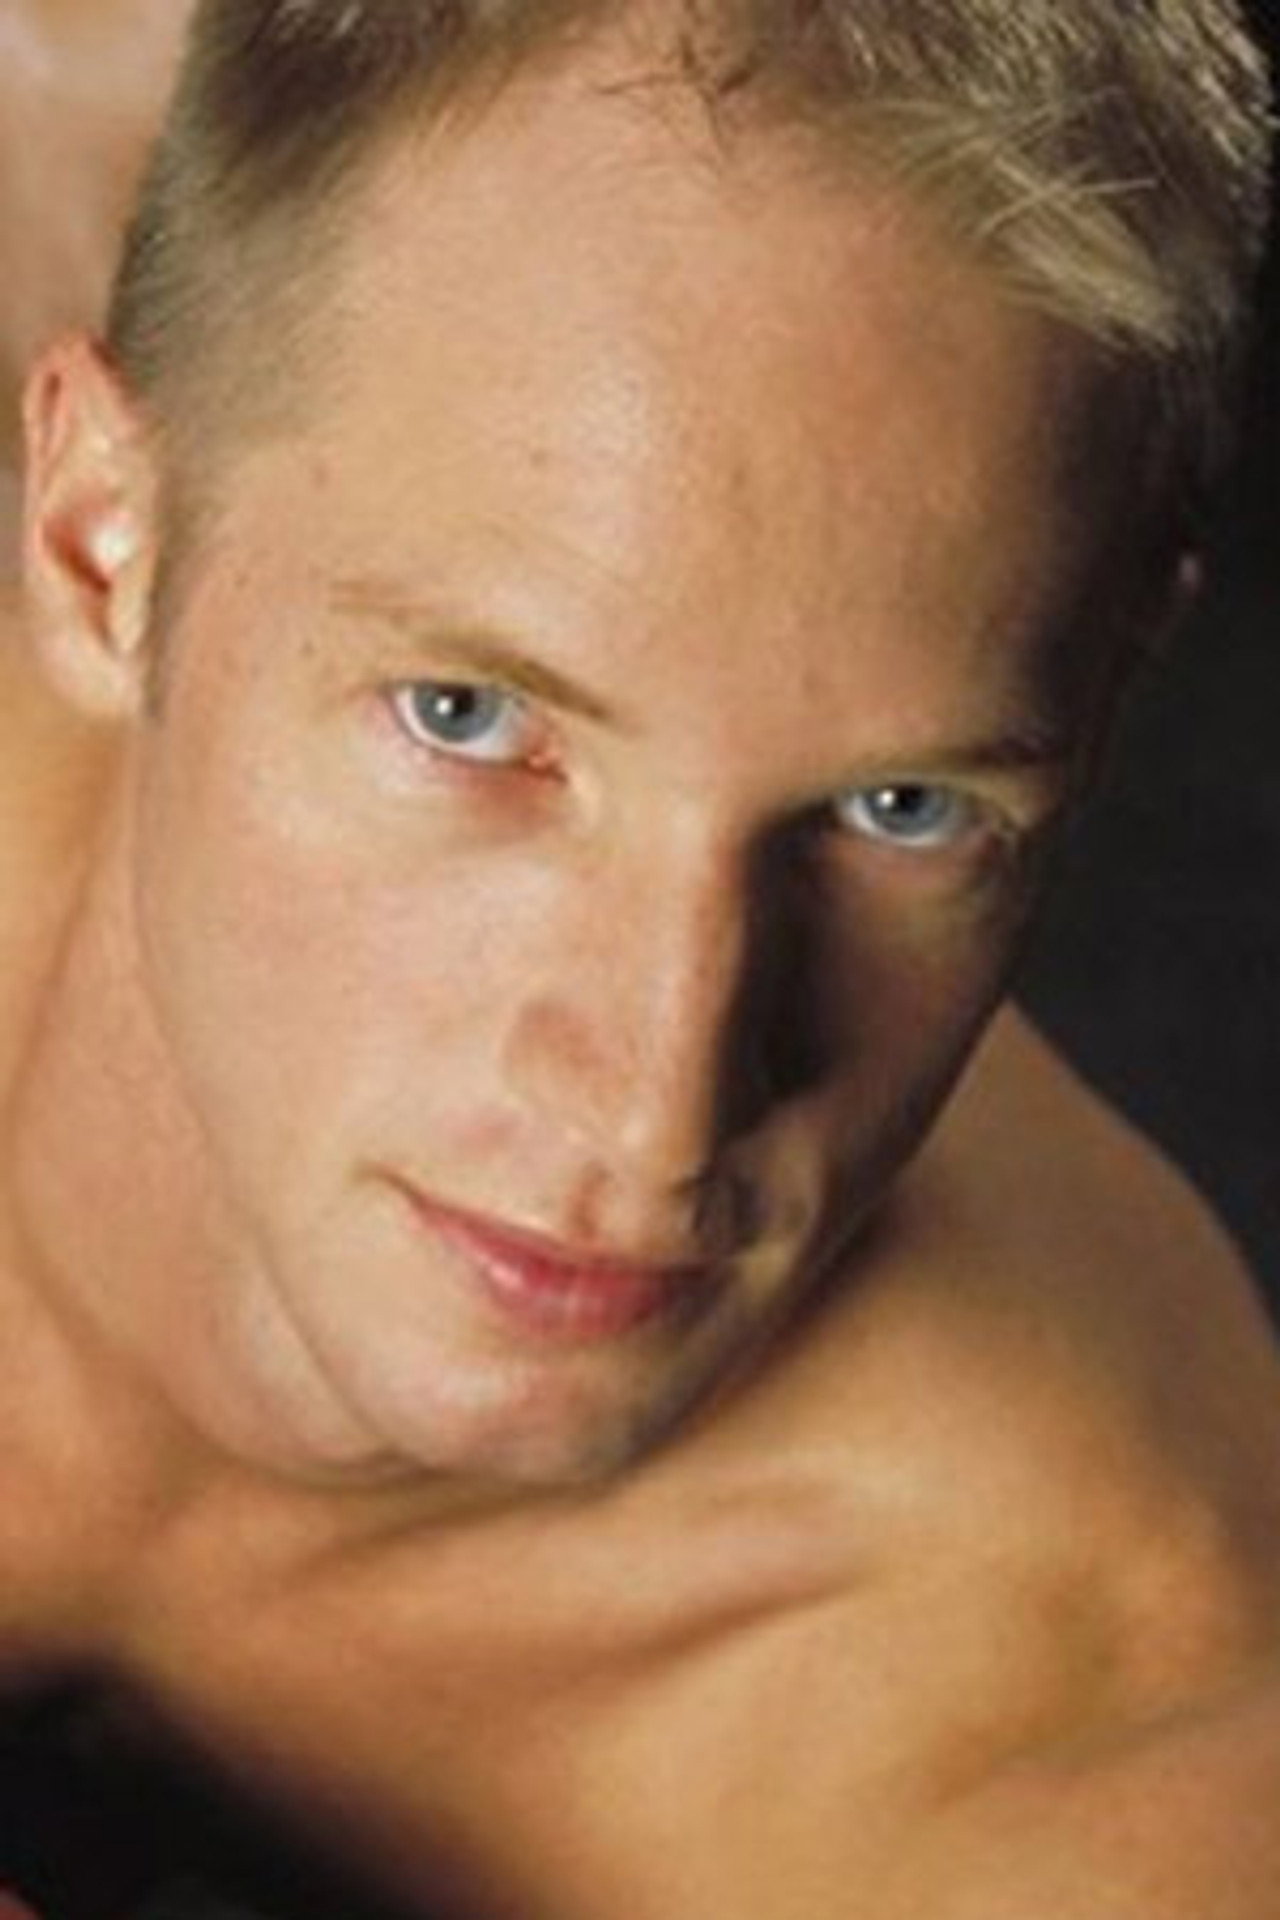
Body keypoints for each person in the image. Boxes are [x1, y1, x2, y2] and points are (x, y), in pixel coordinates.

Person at [2, 1, 1280, 1914]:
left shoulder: (1094, 1758)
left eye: (902, 810)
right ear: (104, 542)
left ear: (1106, 696)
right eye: (468, 719)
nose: (659, 1108)